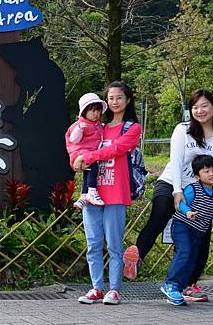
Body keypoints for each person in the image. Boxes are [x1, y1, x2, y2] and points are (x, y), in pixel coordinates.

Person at [124, 89, 213, 302]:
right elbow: (175, 162)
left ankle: (189, 285)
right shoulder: (182, 130)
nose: (200, 111)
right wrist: (176, 191)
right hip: (170, 182)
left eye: (204, 106)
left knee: (200, 237)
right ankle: (136, 259)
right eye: (195, 107)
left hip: (203, 191)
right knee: (160, 213)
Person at [73, 81, 141, 305]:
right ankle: (96, 288)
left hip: (116, 192)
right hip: (93, 193)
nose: (115, 102)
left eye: (119, 97)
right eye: (111, 98)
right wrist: (77, 161)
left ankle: (114, 289)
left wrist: (88, 158)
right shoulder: (96, 126)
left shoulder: (132, 128)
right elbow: (75, 146)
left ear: (127, 100)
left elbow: (116, 149)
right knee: (93, 243)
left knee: (114, 244)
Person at [161, 154, 213, 306]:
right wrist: (187, 211)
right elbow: (180, 203)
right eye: (206, 171)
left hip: (199, 231)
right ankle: (170, 283)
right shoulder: (193, 188)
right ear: (197, 175)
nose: (212, 174)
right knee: (184, 252)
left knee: (192, 259)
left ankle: (181, 288)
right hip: (182, 226)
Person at [65, 92, 107, 210]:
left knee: (87, 173)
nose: (96, 113)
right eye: (92, 110)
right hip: (80, 153)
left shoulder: (97, 124)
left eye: (98, 110)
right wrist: (79, 129)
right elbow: (74, 139)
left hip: (88, 153)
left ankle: (83, 196)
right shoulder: (79, 124)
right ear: (84, 111)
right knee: (93, 167)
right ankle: (92, 191)